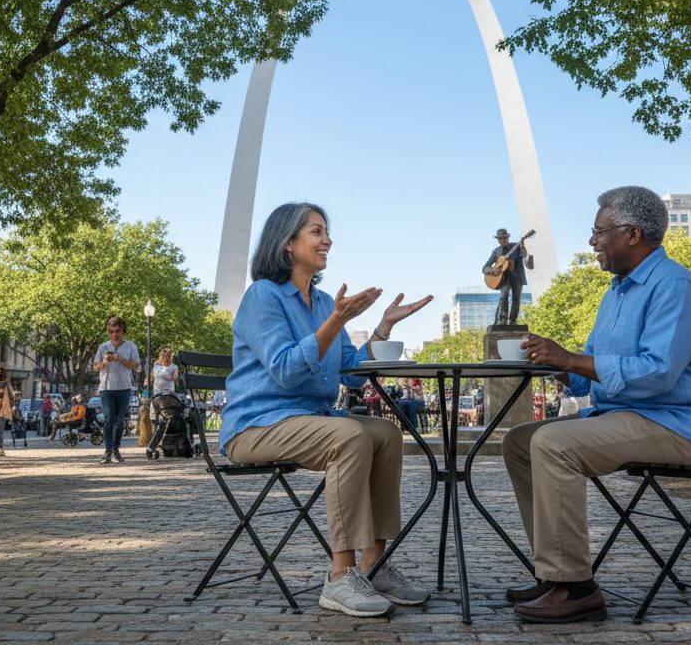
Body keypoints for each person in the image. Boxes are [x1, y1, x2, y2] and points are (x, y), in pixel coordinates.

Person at [500, 186, 691, 624]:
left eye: (599, 232)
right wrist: (553, 361)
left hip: (675, 424)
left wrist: (570, 359)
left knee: (554, 443)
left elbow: (657, 372)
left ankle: (576, 588)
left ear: (632, 234)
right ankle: (553, 573)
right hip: (624, 416)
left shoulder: (673, 286)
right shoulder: (615, 293)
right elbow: (589, 373)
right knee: (519, 442)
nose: (592, 241)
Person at [221, 202, 434, 618]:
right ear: (287, 243)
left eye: (326, 231)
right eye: (316, 232)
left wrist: (383, 327)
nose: (328, 240)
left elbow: (351, 373)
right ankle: (340, 576)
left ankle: (373, 565)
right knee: (350, 436)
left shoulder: (322, 302)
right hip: (256, 425)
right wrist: (336, 320)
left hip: (310, 421)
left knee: (386, 433)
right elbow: (285, 370)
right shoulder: (262, 296)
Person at [92, 316, 140, 464]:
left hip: (124, 387)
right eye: (111, 331)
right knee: (108, 419)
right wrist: (104, 363)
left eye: (117, 331)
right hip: (106, 388)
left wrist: (120, 359)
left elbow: (135, 366)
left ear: (123, 330)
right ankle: (107, 451)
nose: (114, 334)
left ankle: (115, 448)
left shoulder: (130, 346)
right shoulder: (103, 347)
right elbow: (95, 367)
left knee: (119, 421)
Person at [483, 228, 534, 326]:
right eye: (500, 238)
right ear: (498, 240)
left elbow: (526, 259)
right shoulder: (496, 251)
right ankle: (502, 320)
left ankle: (513, 321)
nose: (503, 240)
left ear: (508, 238)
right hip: (503, 279)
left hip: (517, 277)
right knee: (504, 296)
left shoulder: (517, 246)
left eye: (505, 238)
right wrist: (493, 270)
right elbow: (484, 268)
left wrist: (523, 247)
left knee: (516, 299)